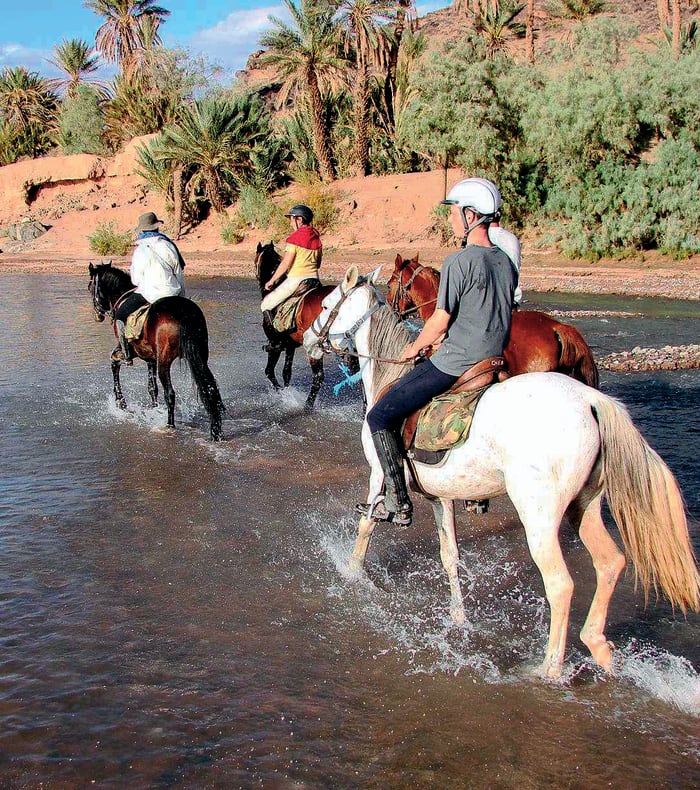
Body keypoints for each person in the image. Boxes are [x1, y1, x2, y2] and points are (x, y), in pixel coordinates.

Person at [357, 177, 518, 526]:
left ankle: (397, 502)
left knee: (380, 415)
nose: (450, 219)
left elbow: (440, 320)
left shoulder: (459, 262)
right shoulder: (505, 262)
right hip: (494, 359)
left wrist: (413, 347)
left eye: (454, 213)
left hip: (457, 362)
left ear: (471, 215)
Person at [113, 211, 186, 365]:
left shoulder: (140, 250)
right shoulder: (169, 245)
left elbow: (135, 279)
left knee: (119, 315)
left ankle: (125, 353)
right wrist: (181, 296)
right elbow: (178, 272)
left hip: (149, 294)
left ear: (142, 230)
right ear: (156, 227)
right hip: (174, 292)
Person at [261, 205, 322, 320]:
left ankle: (276, 336)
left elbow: (286, 263)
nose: (290, 223)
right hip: (315, 279)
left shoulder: (295, 238)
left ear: (300, 219)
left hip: (296, 279)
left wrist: (271, 281)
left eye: (291, 219)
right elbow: (318, 264)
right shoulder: (316, 237)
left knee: (265, 305)